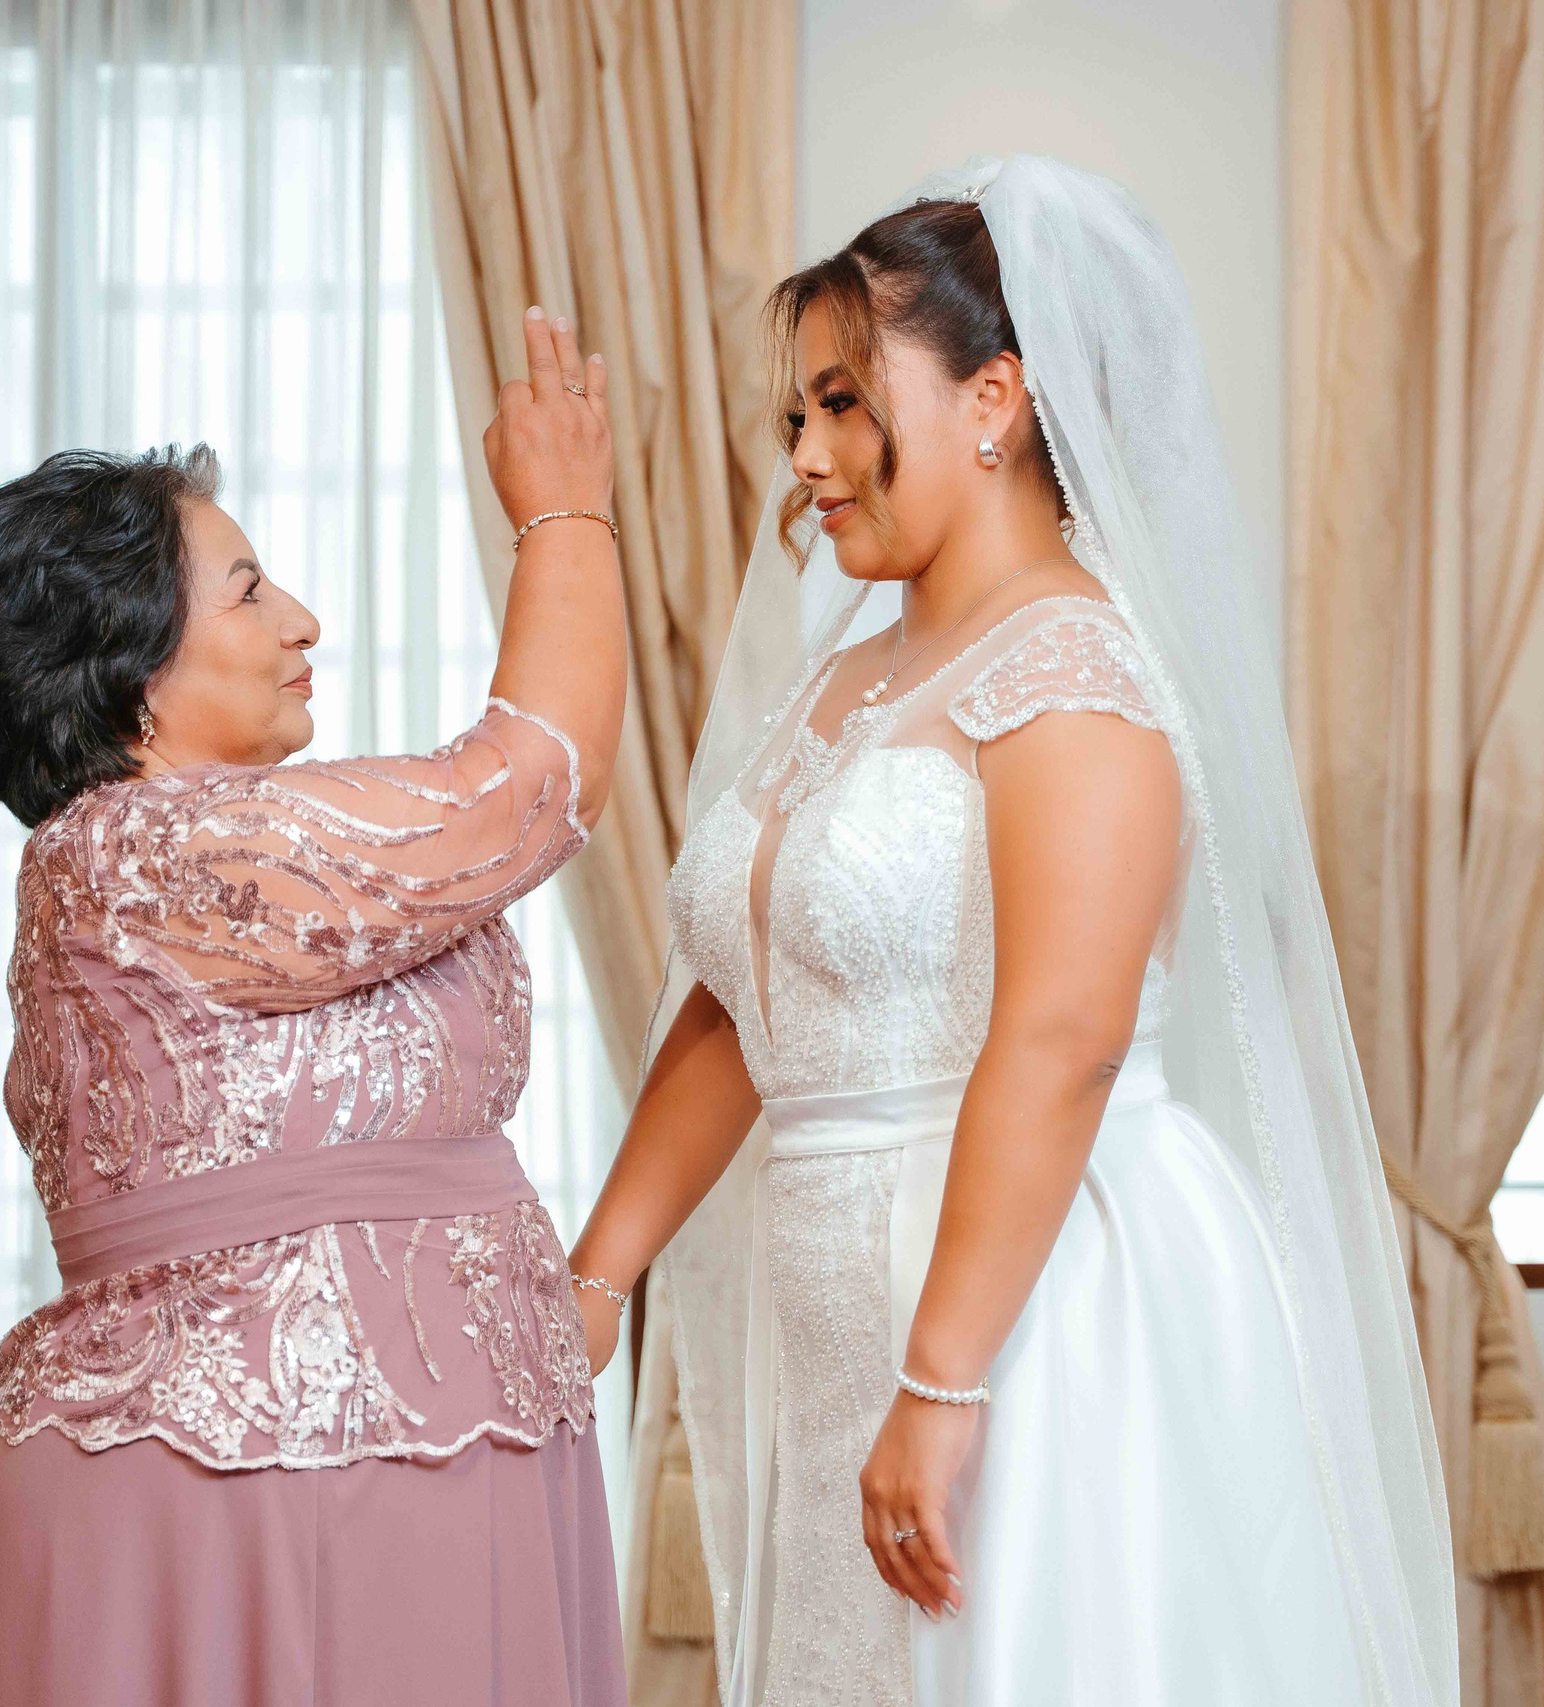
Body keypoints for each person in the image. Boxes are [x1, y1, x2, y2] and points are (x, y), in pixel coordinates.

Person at [563, 156, 1461, 1706]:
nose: (811, 456)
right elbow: (742, 1007)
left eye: (848, 404)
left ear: (995, 402)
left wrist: (943, 1376)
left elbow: (1063, 1037)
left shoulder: (1078, 671)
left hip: (1032, 1300)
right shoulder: (840, 679)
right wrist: (591, 1279)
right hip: (840, 1300)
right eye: (798, 416)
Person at [0, 308, 629, 1706]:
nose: (303, 618)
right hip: (256, 1481)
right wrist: (563, 513)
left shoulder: (227, 838)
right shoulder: (140, 852)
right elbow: (532, 786)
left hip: (431, 1458)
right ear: (132, 670)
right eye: (249, 592)